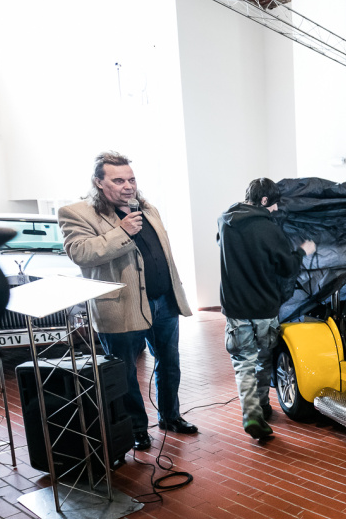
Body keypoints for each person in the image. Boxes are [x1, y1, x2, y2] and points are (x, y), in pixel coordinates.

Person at [58, 151, 196, 455]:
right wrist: (122, 232)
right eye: (118, 180)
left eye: (131, 179)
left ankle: (170, 416)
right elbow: (81, 253)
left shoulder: (147, 208)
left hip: (164, 302)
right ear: (98, 182)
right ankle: (135, 428)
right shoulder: (77, 213)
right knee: (125, 373)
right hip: (121, 306)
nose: (128, 186)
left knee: (169, 363)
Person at [217, 178, 315, 442]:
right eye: (274, 204)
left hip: (235, 309)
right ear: (263, 200)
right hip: (264, 308)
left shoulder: (225, 221)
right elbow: (287, 267)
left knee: (243, 363)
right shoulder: (269, 229)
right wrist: (302, 252)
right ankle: (261, 406)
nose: (276, 209)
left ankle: (252, 413)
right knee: (262, 360)